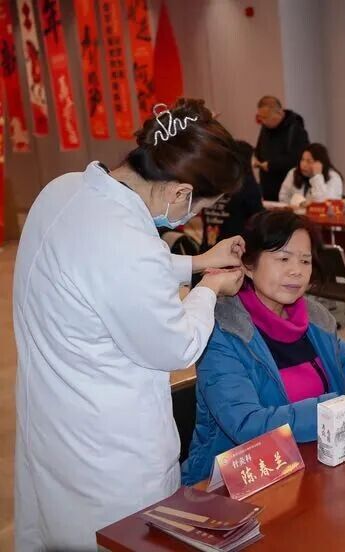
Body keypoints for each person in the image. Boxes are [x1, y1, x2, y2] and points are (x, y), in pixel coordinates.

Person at [13, 98, 248, 550]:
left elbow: (102, 273)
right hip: (108, 451)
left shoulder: (64, 190)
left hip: (53, 422)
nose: (192, 217)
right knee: (120, 539)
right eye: (199, 208)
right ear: (180, 193)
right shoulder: (126, 241)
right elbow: (176, 346)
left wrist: (196, 262)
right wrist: (209, 288)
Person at [182, 211, 345, 484]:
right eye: (283, 259)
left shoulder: (314, 318)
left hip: (314, 466)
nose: (296, 270)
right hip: (239, 482)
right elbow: (247, 424)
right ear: (248, 265)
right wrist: (342, 412)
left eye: (305, 261)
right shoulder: (222, 331)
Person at [201, 140, 265, 252]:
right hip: (234, 250)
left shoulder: (212, 181)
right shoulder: (246, 183)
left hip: (208, 248)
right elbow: (258, 215)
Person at [253, 95, 309, 201]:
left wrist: (271, 165)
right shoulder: (266, 127)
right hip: (267, 188)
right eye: (261, 118)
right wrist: (256, 158)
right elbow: (259, 148)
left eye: (266, 117)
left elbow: (298, 158)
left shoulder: (295, 129)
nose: (263, 121)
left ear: (279, 113)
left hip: (289, 189)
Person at [278, 143, 343, 206]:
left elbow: (323, 203)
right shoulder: (294, 172)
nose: (303, 164)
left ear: (320, 164)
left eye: (308, 161)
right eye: (302, 159)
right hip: (295, 212)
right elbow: (283, 196)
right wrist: (299, 204)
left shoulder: (334, 177)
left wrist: (317, 176)